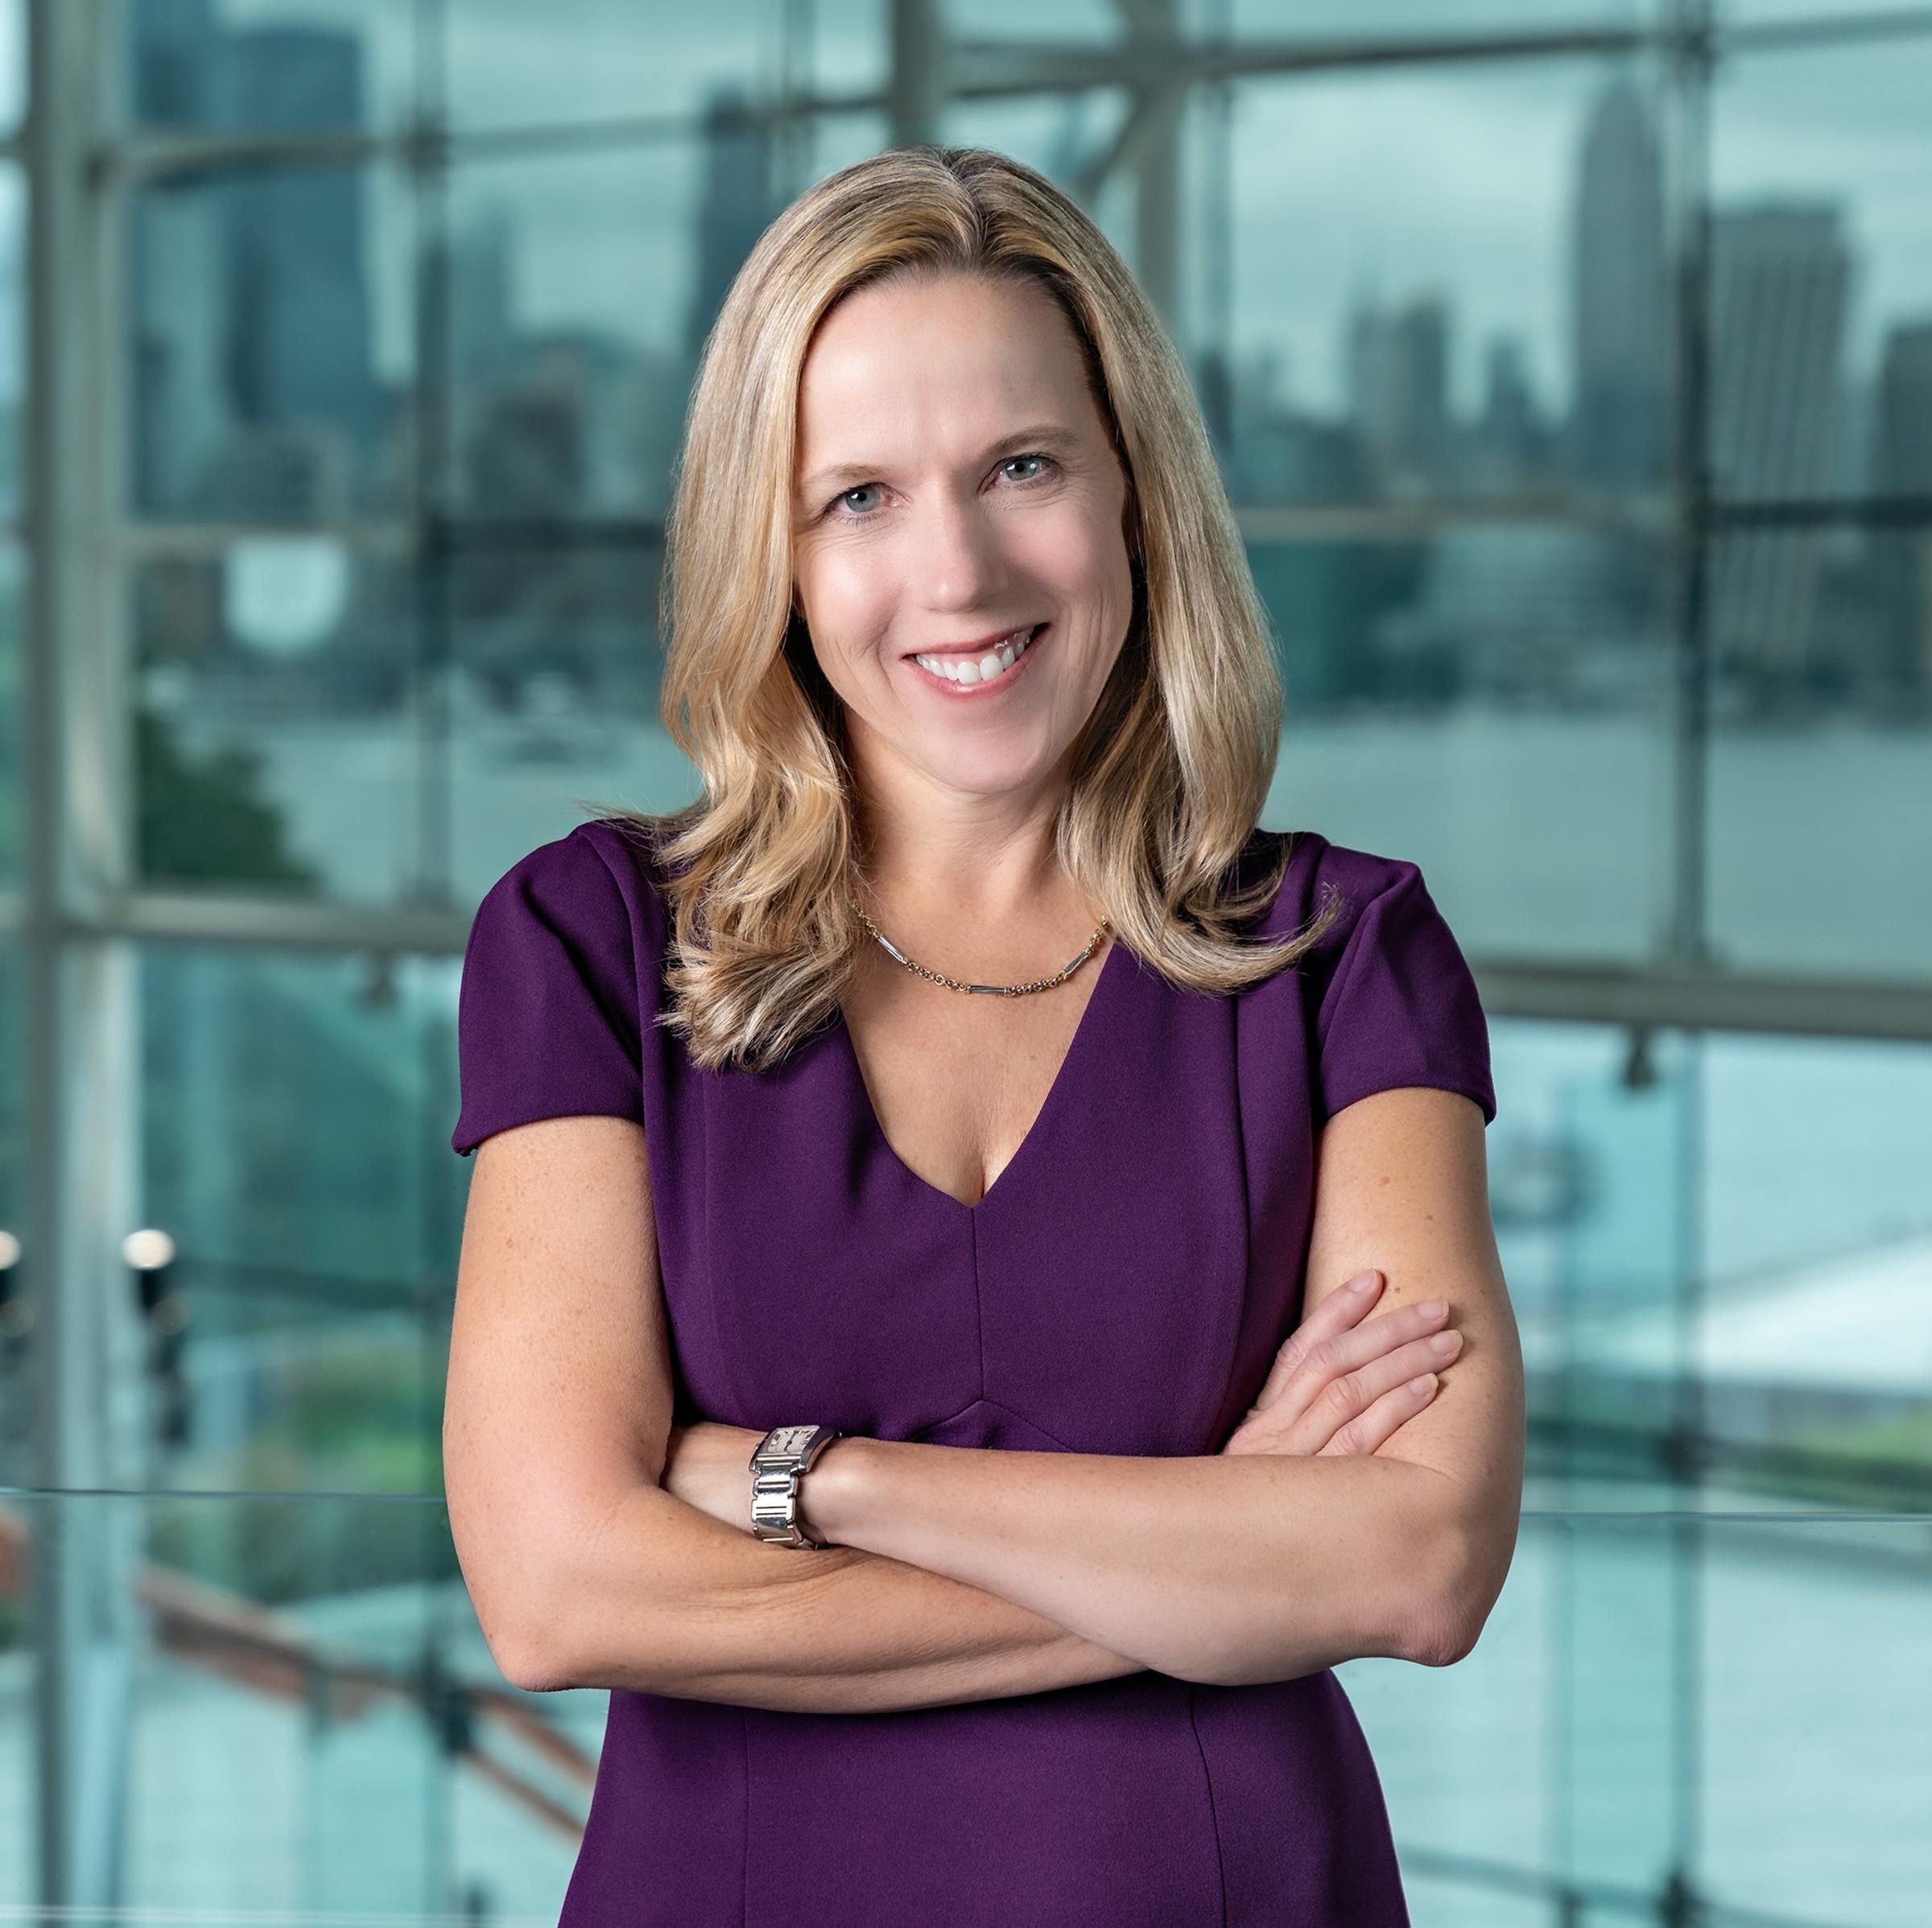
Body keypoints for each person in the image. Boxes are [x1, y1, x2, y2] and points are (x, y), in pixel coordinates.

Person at [443, 145, 1525, 1928]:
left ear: (1136, 499)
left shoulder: (1344, 955)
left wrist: (819, 1481)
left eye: (1023, 466)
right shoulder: (588, 944)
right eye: (858, 497)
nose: (954, 570)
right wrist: (1222, 1545)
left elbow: (1417, 1562)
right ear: (774, 554)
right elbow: (558, 1591)